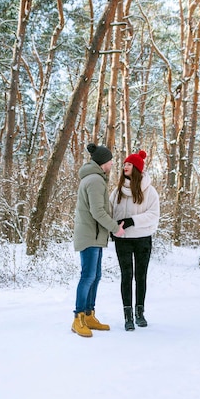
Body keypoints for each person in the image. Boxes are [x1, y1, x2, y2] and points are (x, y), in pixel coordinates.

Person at [72, 143, 125, 338]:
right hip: (90, 235)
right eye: (110, 161)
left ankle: (89, 315)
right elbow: (97, 211)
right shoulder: (95, 180)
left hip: (95, 235)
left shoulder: (96, 178)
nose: (112, 164)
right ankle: (78, 318)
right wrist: (115, 228)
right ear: (103, 163)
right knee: (88, 277)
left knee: (95, 276)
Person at [109, 149, 160, 331]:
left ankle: (140, 313)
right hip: (123, 240)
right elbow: (110, 211)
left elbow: (154, 215)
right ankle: (128, 315)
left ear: (137, 168)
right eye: (124, 164)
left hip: (143, 240)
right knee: (126, 276)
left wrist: (132, 221)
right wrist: (111, 228)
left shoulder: (149, 191)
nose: (125, 167)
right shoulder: (117, 191)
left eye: (129, 164)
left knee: (140, 276)